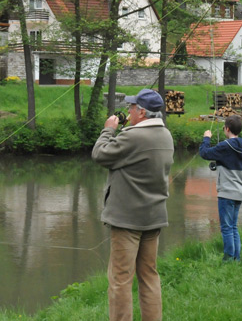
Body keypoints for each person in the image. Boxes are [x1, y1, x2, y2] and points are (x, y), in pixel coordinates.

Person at [92, 88, 174, 321]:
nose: (128, 110)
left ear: (142, 112)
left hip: (127, 221)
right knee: (149, 276)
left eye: (131, 107)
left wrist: (109, 129)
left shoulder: (133, 136)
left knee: (120, 279)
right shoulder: (166, 135)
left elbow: (100, 154)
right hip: (154, 218)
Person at [198, 114, 242, 262]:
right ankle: (236, 259)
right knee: (233, 227)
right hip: (239, 192)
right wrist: (218, 165)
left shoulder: (225, 146)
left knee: (226, 228)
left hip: (227, 193)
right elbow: (233, 164)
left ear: (227, 129)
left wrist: (206, 138)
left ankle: (228, 259)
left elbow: (204, 153)